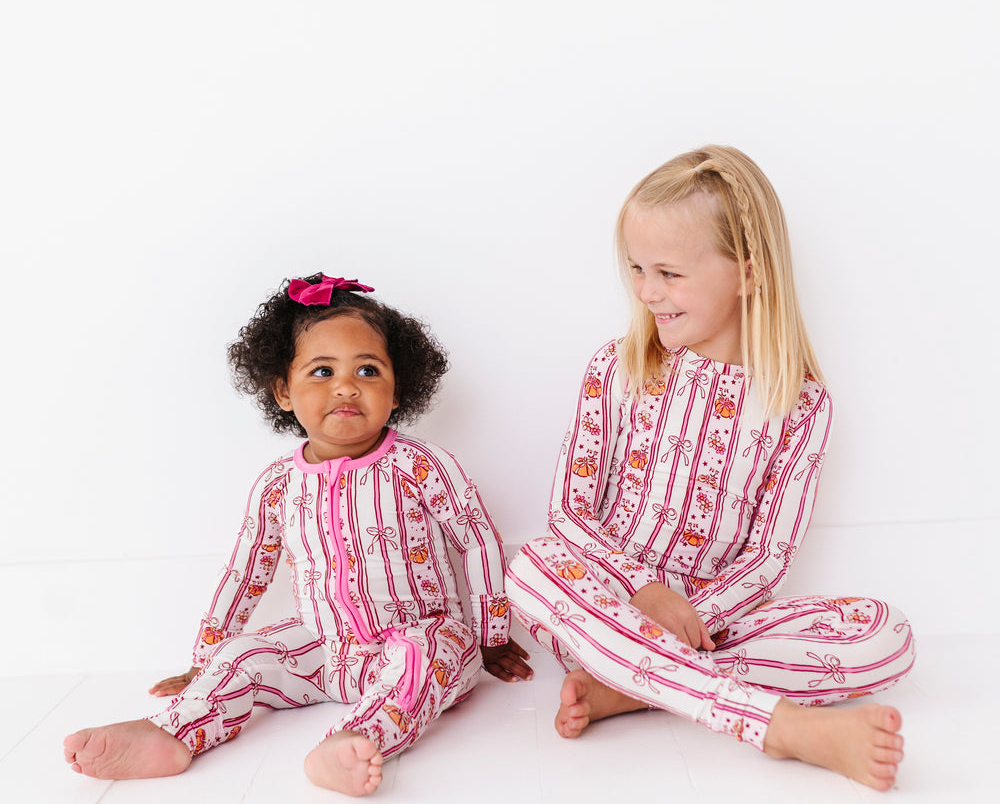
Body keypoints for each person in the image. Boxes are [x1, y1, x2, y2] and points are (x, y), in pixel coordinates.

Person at [505, 147, 914, 792]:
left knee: (886, 635)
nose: (646, 291)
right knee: (526, 563)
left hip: (713, 625)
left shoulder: (800, 404)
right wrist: (644, 592)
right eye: (637, 269)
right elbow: (569, 515)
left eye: (668, 272)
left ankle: (638, 689)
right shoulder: (619, 367)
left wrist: (694, 615)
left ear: (748, 274)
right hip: (604, 610)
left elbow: (768, 555)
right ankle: (776, 725)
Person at [65, 273, 532, 796]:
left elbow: (478, 542)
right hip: (322, 649)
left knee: (433, 656)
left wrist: (489, 638)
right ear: (284, 392)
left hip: (416, 634)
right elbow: (247, 571)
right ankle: (172, 733)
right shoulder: (277, 485)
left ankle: (356, 739)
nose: (346, 385)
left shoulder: (421, 466)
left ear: (397, 389)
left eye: (368, 369)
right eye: (322, 371)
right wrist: (206, 657)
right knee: (246, 656)